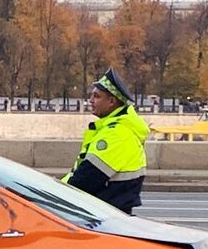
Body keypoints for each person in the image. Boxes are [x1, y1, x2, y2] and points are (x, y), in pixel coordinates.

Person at [61, 68, 149, 214]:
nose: (90, 101)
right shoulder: (117, 129)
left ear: (111, 101)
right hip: (111, 211)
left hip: (104, 214)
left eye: (96, 96)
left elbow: (85, 179)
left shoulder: (117, 134)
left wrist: (54, 193)